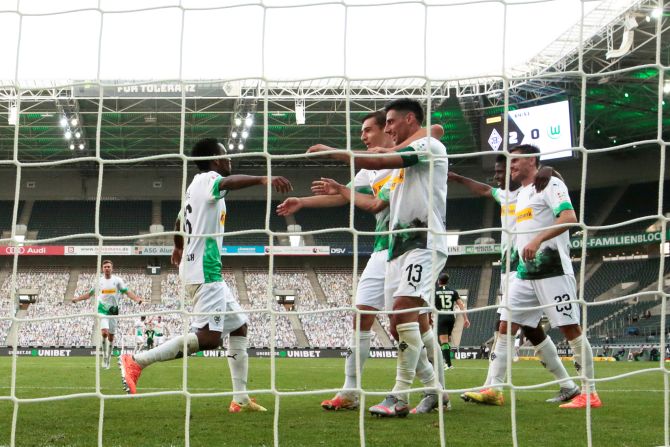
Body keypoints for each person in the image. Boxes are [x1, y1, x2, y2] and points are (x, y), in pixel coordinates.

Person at [280, 111, 446, 414]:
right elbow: (346, 196)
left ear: (389, 128)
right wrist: (304, 202)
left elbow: (435, 130)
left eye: (369, 130)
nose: (363, 136)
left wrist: (338, 154)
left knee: (405, 322)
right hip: (386, 247)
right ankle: (352, 389)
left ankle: (430, 388)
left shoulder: (402, 158)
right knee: (367, 316)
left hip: (416, 243)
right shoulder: (371, 169)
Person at [119, 138, 292, 413]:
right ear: (214, 159)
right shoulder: (209, 180)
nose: (229, 159)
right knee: (209, 338)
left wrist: (177, 246)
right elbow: (226, 183)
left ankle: (240, 398)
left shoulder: (193, 188)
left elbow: (178, 220)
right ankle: (137, 360)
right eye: (225, 155)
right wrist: (263, 179)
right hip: (205, 269)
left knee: (239, 326)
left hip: (201, 267)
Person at [477, 144, 600, 409]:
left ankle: (590, 392)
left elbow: (569, 217)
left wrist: (537, 239)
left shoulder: (550, 183)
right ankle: (494, 388)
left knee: (570, 330)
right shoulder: (521, 193)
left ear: (531, 160)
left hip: (552, 270)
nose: (510, 168)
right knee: (505, 325)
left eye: (514, 162)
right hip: (524, 274)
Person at [450, 155, 579, 405]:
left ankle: (494, 387)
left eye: (503, 170)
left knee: (513, 325)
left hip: (531, 266)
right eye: (497, 172)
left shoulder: (536, 189)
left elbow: (555, 185)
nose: (499, 175)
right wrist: (458, 178)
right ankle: (567, 385)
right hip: (513, 268)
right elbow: (485, 189)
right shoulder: (507, 196)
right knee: (528, 329)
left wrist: (549, 169)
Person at [72, 260, 143, 369]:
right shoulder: (99, 281)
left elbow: (127, 292)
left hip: (113, 311)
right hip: (102, 310)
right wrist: (77, 299)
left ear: (112, 268)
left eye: (109, 267)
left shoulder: (117, 281)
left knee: (111, 337)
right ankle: (104, 356)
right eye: (105, 267)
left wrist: (137, 299)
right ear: (102, 269)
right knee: (104, 333)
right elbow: (90, 294)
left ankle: (108, 357)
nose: (107, 268)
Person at [434, 272, 470, 370]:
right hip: (451, 317)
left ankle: (448, 364)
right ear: (447, 281)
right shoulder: (453, 291)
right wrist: (466, 319)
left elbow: (430, 306)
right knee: (447, 340)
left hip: (441, 317)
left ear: (438, 281)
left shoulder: (435, 291)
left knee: (443, 341)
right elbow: (461, 305)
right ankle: (446, 360)